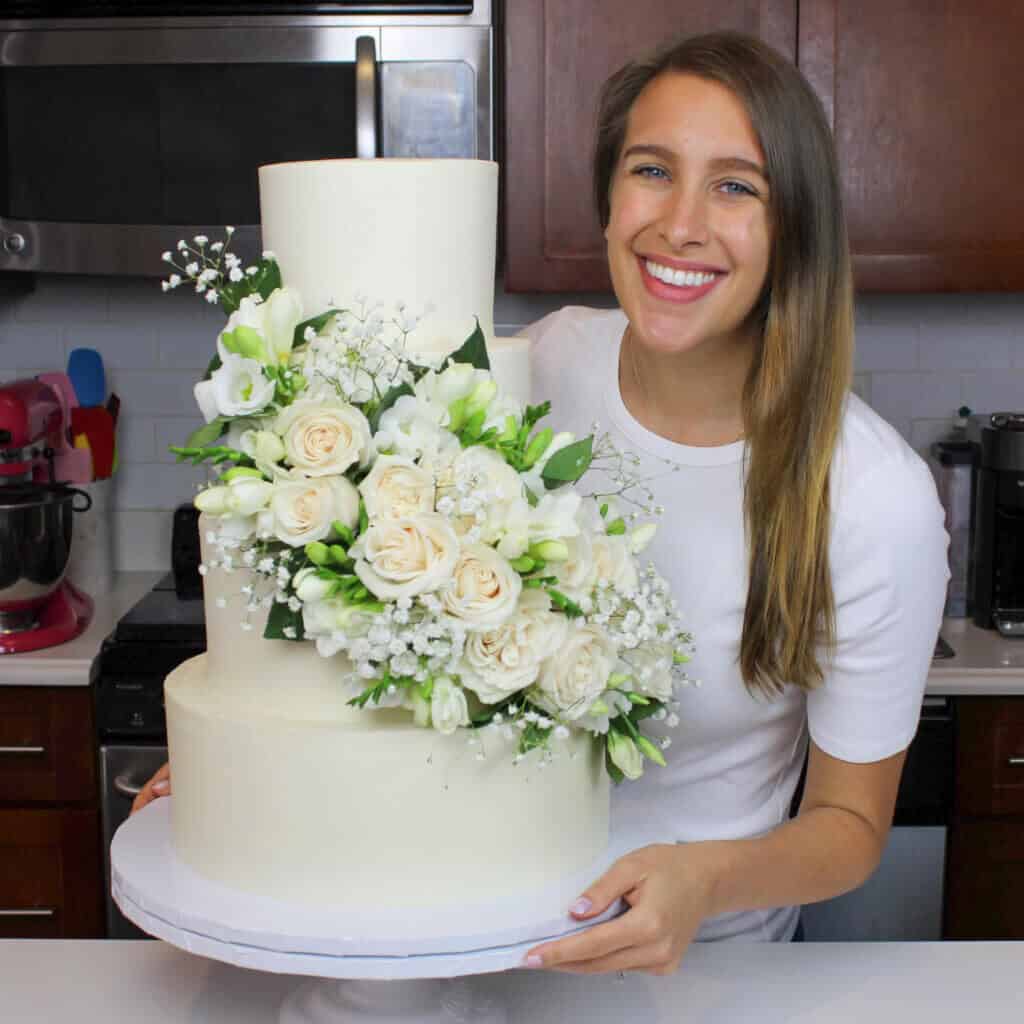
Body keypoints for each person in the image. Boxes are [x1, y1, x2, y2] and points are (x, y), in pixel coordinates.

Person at [133, 30, 949, 976]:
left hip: (698, 969)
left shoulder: (869, 493)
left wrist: (701, 882)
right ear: (608, 199)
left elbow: (848, 827)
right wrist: (256, 784)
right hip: (466, 934)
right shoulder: (537, 366)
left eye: (736, 186)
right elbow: (404, 621)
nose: (681, 224)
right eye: (652, 170)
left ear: (794, 226)